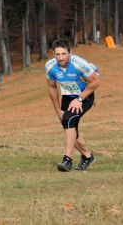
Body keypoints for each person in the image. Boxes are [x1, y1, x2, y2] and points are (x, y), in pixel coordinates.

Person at [46, 39, 100, 172]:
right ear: (53, 54)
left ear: (70, 52)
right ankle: (87, 156)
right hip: (67, 96)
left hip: (84, 95)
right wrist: (58, 110)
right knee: (68, 127)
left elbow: (96, 83)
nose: (61, 57)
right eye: (57, 54)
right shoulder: (50, 66)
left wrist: (80, 99)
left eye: (64, 54)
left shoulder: (79, 64)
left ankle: (67, 160)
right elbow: (51, 87)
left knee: (69, 119)